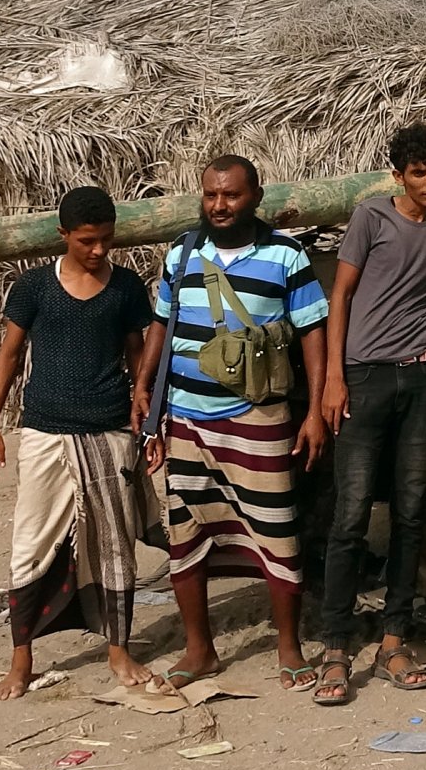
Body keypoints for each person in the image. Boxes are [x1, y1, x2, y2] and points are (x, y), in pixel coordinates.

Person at [137, 157, 330, 694]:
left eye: (231, 196)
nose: (219, 206)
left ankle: (287, 646)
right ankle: (201, 651)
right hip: (188, 418)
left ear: (255, 196)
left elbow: (312, 332)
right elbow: (161, 322)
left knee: (275, 529)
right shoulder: (181, 252)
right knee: (188, 534)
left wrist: (313, 411)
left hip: (259, 416)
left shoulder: (286, 256)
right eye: (211, 195)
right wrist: (144, 386)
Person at [317, 120, 426, 704]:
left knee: (412, 513)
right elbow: (340, 295)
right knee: (351, 514)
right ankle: (336, 648)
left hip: (420, 376)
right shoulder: (372, 217)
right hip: (364, 377)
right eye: (420, 171)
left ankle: (394, 639)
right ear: (399, 174)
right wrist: (335, 379)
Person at [0, 185, 164, 699]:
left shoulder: (127, 288)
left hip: (109, 431)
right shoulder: (34, 287)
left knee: (113, 546)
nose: (98, 250)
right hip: (44, 432)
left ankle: (119, 650)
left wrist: (147, 417)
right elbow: (9, 356)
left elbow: (137, 357)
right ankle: (21, 661)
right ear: (63, 235)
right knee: (31, 542)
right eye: (87, 241)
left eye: (106, 240)